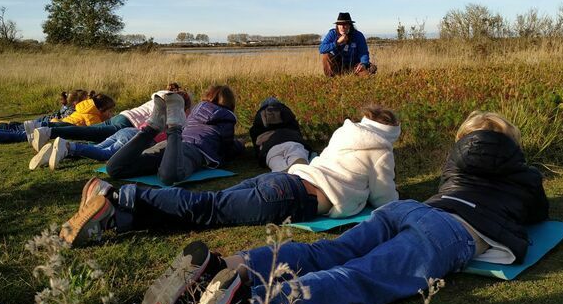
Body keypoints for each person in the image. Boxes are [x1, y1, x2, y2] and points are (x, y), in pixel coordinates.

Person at [139, 111, 548, 304]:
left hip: (414, 210)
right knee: (361, 278)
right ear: (512, 145)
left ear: (463, 142)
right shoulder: (524, 176)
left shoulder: (453, 166)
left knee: (326, 255)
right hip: (454, 231)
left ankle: (223, 269)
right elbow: (536, 211)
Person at [57, 105, 400, 256]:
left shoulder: (345, 135)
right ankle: (123, 195)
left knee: (208, 206)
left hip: (281, 181)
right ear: (391, 132)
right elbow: (385, 200)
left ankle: (118, 217)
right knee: (210, 208)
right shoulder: (381, 150)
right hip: (294, 198)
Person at [28, 83, 184, 151]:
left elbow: (157, 95)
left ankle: (46, 129)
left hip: (123, 116)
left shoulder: (159, 96)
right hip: (128, 124)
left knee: (90, 133)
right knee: (92, 134)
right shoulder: (174, 107)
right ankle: (49, 132)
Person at [0, 89, 90, 146]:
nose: (88, 101)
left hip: (46, 122)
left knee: (15, 128)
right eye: (86, 100)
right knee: (15, 129)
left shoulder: (75, 108)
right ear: (76, 102)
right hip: (46, 123)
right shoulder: (76, 109)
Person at [249, 97, 311, 172]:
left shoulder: (258, 126)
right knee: (297, 158)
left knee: (276, 163)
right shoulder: (290, 121)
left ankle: (283, 172)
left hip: (270, 149)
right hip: (292, 142)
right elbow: (298, 134)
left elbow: (257, 145)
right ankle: (299, 169)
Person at [319, 12, 377, 77]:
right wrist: (337, 43)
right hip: (338, 65)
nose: (342, 27)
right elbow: (321, 49)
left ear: (350, 25)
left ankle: (356, 77)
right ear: (337, 25)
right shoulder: (332, 33)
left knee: (368, 73)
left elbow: (363, 53)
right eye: (340, 24)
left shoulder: (358, 35)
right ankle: (331, 79)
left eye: (345, 24)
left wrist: (363, 63)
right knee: (326, 56)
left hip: (355, 65)